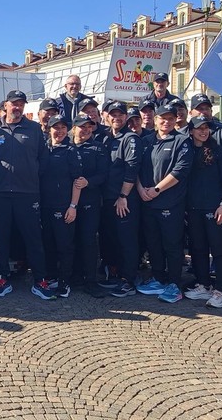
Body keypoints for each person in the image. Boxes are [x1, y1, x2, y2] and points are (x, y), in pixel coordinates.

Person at [0, 90, 56, 299]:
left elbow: (43, 161)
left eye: (21, 104)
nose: (17, 107)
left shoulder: (34, 129)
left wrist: (30, 176)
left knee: (34, 238)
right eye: (13, 103)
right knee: (2, 238)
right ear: (5, 105)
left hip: (28, 193)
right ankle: (2, 278)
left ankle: (40, 280)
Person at [136, 103, 193, 303]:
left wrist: (157, 189)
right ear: (156, 119)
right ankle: (158, 278)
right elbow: (137, 168)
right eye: (163, 118)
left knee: (172, 245)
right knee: (153, 244)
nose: (166, 122)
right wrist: (141, 188)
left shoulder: (182, 141)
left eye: (170, 118)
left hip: (170, 203)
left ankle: (174, 284)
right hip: (148, 201)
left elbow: (180, 171)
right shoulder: (146, 140)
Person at [184, 115, 222, 308]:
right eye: (199, 128)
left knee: (220, 249)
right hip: (193, 208)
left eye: (206, 128)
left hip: (215, 207)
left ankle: (221, 290)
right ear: (191, 131)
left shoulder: (217, 149)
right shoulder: (186, 149)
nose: (203, 131)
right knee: (198, 248)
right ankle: (204, 284)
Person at [102, 101, 143, 297]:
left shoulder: (131, 138)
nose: (116, 117)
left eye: (120, 114)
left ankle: (129, 279)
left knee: (127, 240)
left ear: (126, 117)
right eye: (113, 114)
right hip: (108, 198)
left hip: (124, 199)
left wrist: (123, 196)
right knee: (112, 238)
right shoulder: (106, 137)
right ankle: (116, 274)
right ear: (106, 116)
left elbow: (131, 169)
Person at [40, 115, 83, 298]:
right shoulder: (44, 149)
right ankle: (52, 277)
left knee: (64, 246)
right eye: (55, 127)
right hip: (44, 206)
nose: (59, 131)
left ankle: (65, 281)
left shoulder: (71, 151)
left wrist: (73, 205)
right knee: (48, 244)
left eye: (63, 128)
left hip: (64, 206)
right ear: (48, 129)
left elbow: (78, 181)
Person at [72, 114, 109, 297]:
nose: (86, 130)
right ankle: (75, 276)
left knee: (88, 240)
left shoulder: (98, 147)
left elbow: (103, 174)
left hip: (90, 201)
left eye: (89, 126)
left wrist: (89, 182)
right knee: (71, 240)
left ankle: (91, 280)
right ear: (74, 128)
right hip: (69, 203)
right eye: (82, 126)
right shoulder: (66, 146)